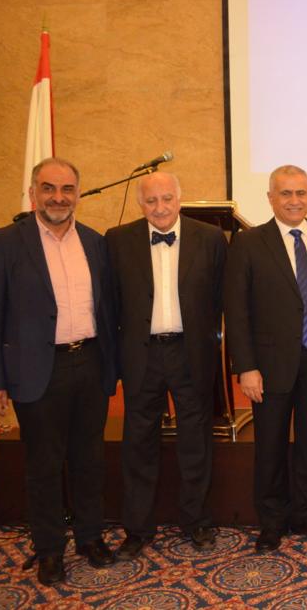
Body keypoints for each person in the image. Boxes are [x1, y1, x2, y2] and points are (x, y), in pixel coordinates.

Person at [0, 158, 118, 585]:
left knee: (89, 460)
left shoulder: (95, 243)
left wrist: (112, 366)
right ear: (33, 194)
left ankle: (89, 537)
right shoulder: (4, 243)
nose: (58, 197)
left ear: (78, 194)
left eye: (67, 189)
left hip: (90, 363)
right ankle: (49, 550)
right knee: (43, 466)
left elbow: (107, 310)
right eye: (48, 188)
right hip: (37, 370)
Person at [105, 171, 227, 559]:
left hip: (191, 352)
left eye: (167, 199)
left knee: (196, 441)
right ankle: (138, 528)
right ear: (140, 204)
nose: (160, 208)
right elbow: (110, 304)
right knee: (138, 442)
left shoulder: (210, 238)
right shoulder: (117, 240)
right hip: (141, 354)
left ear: (179, 198)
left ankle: (197, 520)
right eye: (151, 200)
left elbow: (221, 300)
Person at [224, 164, 307, 552]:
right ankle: (271, 521)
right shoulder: (249, 243)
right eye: (285, 193)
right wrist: (246, 367)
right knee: (270, 444)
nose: (294, 200)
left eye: (300, 193)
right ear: (271, 198)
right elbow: (237, 311)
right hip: (269, 366)